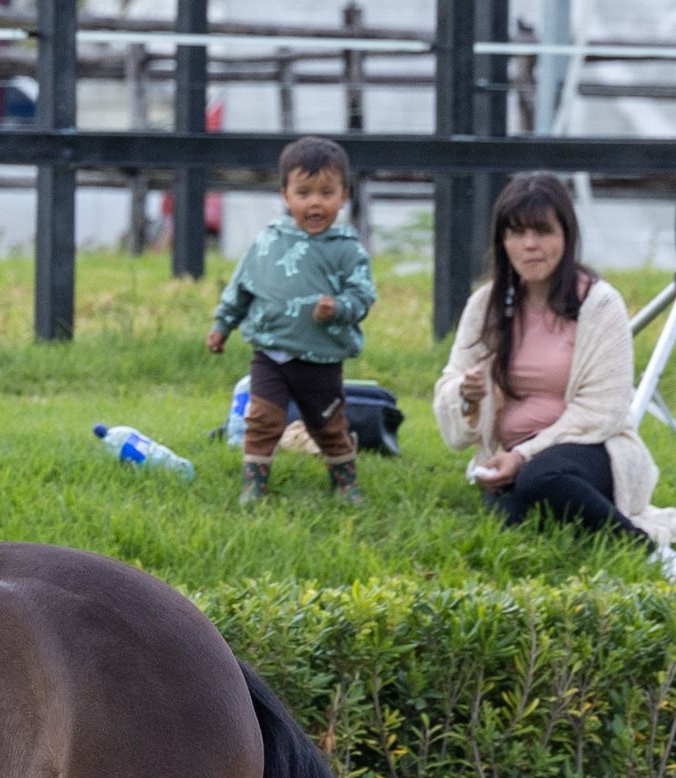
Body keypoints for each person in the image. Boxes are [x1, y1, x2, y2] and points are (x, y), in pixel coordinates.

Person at [434, 172, 675, 570]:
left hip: (590, 448)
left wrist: (523, 456)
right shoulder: (485, 306)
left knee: (539, 479)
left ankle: (653, 555)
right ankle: (586, 539)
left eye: (543, 232)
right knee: (511, 517)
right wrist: (466, 394)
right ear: (502, 242)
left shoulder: (599, 305)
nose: (530, 245)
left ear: (566, 235)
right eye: (517, 234)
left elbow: (605, 412)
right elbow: (452, 384)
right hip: (507, 455)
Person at [207, 136, 376, 505]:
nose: (315, 202)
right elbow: (242, 287)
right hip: (271, 353)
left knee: (328, 424)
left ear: (343, 196)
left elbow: (363, 296)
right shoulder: (268, 242)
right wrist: (222, 325)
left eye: (326, 192)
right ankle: (254, 485)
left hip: (322, 358)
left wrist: (340, 308)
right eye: (304, 192)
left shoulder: (347, 250)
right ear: (286, 195)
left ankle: (345, 483)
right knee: (262, 419)